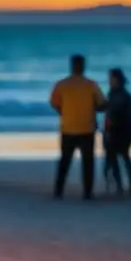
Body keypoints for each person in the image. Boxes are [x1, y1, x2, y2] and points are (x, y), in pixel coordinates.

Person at [49, 54, 107, 199]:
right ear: (83, 66)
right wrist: (93, 108)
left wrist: (63, 112)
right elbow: (102, 104)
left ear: (71, 66)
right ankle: (87, 192)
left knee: (65, 161)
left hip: (68, 127)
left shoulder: (62, 84)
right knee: (88, 162)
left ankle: (59, 190)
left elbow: (54, 103)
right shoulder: (91, 84)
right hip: (87, 128)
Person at [102, 68, 131, 197]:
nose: (109, 81)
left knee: (118, 158)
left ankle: (122, 187)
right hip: (121, 130)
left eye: (111, 79)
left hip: (119, 131)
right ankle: (126, 186)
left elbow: (113, 115)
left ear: (117, 80)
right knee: (121, 158)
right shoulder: (117, 94)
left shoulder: (118, 95)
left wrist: (109, 129)